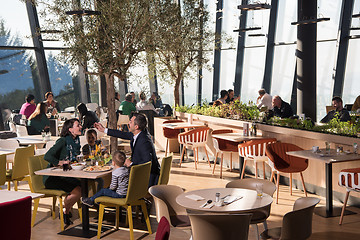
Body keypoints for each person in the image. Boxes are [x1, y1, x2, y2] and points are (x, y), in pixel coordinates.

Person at [94, 113, 160, 186]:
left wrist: (131, 164)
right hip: (142, 174)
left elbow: (148, 163)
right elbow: (122, 134)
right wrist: (103, 130)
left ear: (136, 126)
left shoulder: (144, 142)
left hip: (147, 179)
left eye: (131, 121)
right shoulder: (139, 133)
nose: (128, 123)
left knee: (117, 180)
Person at [44, 118, 82, 225]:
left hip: (65, 174)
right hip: (53, 177)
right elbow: (47, 156)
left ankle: (66, 209)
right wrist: (59, 162)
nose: (80, 127)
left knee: (82, 186)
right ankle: (65, 210)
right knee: (78, 190)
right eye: (77, 125)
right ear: (70, 129)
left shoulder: (76, 141)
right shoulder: (63, 141)